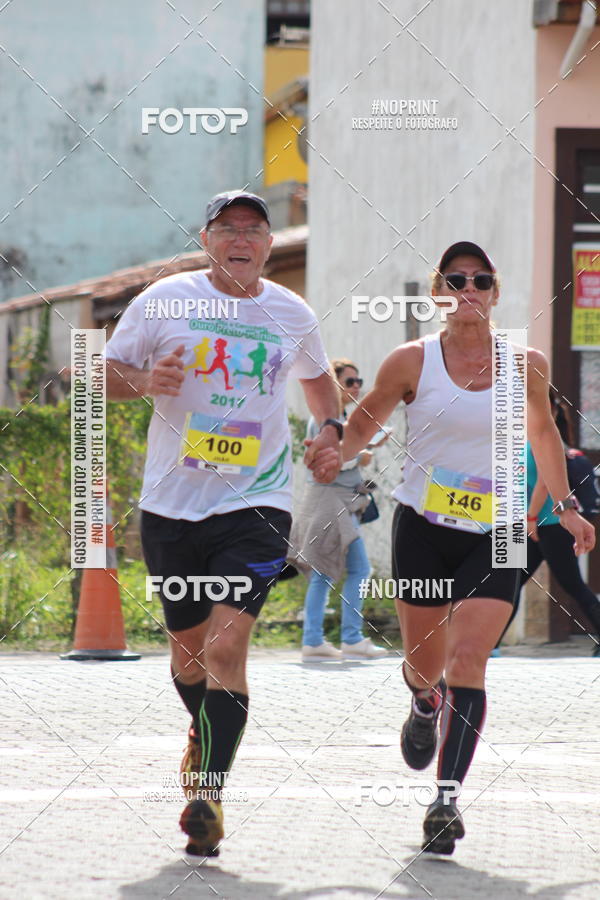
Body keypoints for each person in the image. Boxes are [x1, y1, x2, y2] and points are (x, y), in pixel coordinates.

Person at [310, 241, 595, 854]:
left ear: (496, 292)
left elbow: (545, 434)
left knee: (470, 660)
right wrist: (341, 445)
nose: (469, 289)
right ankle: (420, 703)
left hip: (500, 534)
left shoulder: (527, 363)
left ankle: (445, 799)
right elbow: (365, 420)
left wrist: (564, 507)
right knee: (425, 665)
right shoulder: (410, 361)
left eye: (482, 280)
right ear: (441, 291)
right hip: (425, 529)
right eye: (456, 279)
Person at [105, 190, 342, 859]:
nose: (241, 239)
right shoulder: (164, 301)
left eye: (254, 230)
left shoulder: (291, 310)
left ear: (270, 244)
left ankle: (207, 793)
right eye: (227, 228)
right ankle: (203, 735)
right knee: (187, 658)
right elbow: (104, 374)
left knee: (225, 650)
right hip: (172, 506)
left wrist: (328, 431)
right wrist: (147, 379)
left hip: (257, 504)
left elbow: (320, 384)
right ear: (207, 238)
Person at [294, 358, 388, 661]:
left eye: (359, 381)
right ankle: (345, 638)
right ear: (334, 385)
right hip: (330, 500)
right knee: (351, 569)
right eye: (350, 382)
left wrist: (367, 448)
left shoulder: (345, 417)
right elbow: (327, 460)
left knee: (328, 572)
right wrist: (363, 454)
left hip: (340, 502)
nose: (357, 387)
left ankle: (321, 639)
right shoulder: (324, 420)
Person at [504, 389, 600, 655]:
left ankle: (490, 645)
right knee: (508, 581)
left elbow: (544, 485)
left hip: (548, 525)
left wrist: (531, 519)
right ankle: (490, 644)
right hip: (530, 526)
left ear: (552, 411)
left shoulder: (543, 442)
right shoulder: (526, 441)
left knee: (572, 584)